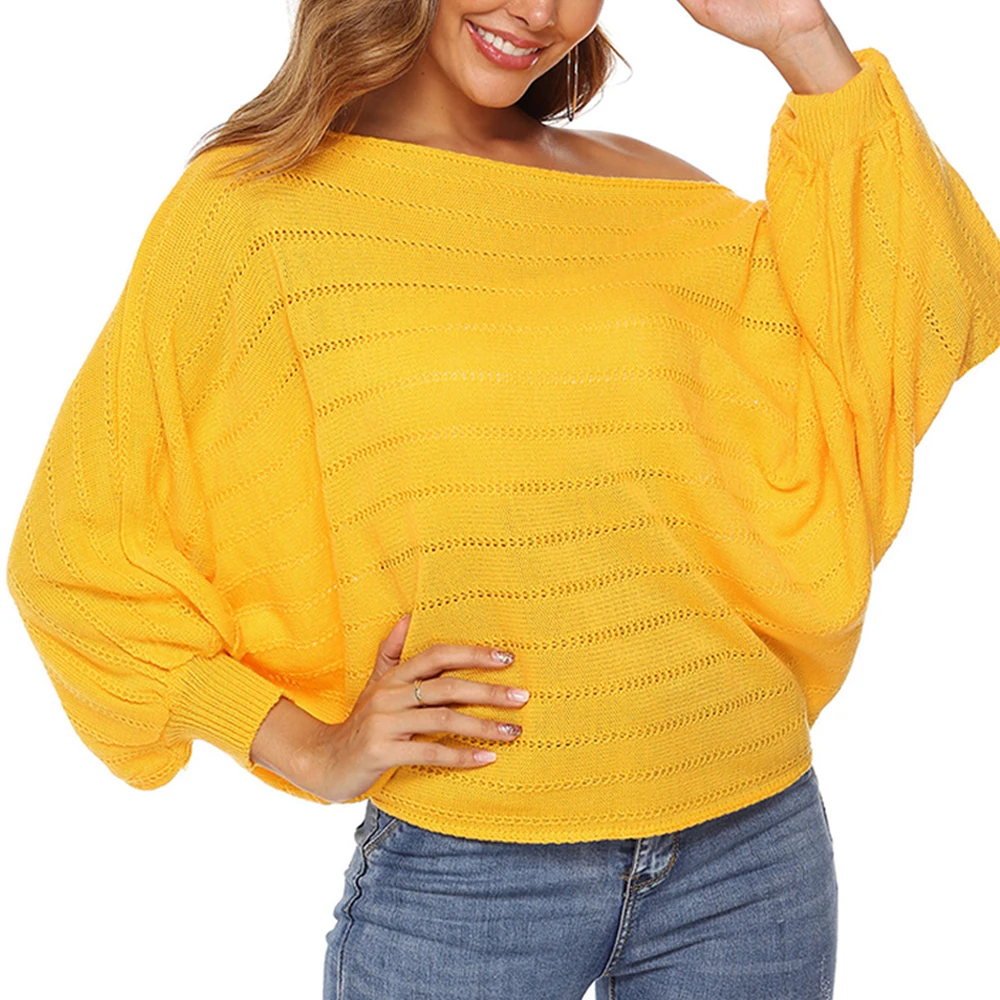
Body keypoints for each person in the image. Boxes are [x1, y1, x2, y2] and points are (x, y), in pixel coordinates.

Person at [7, 1, 999, 997]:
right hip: (469, 875)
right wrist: (306, 750)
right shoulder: (254, 210)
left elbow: (929, 305)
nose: (540, 12)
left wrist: (796, 36)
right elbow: (79, 549)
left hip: (751, 848)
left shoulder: (656, 191)